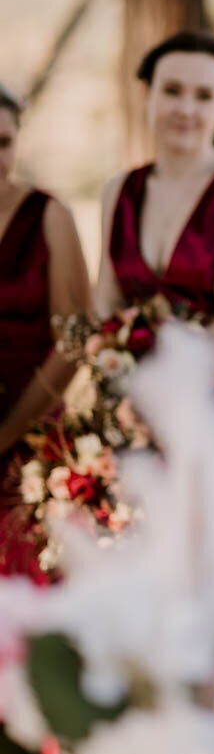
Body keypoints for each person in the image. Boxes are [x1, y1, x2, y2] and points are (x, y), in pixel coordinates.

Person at [95, 31, 214, 537]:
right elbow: (106, 302)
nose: (185, 109)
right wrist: (123, 400)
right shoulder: (118, 191)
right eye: (172, 91)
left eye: (202, 96)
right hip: (135, 410)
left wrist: (167, 407)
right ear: (146, 94)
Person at [0, 81, 92, 578]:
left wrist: (11, 429)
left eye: (3, 142)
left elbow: (76, 338)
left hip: (33, 438)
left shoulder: (50, 216)